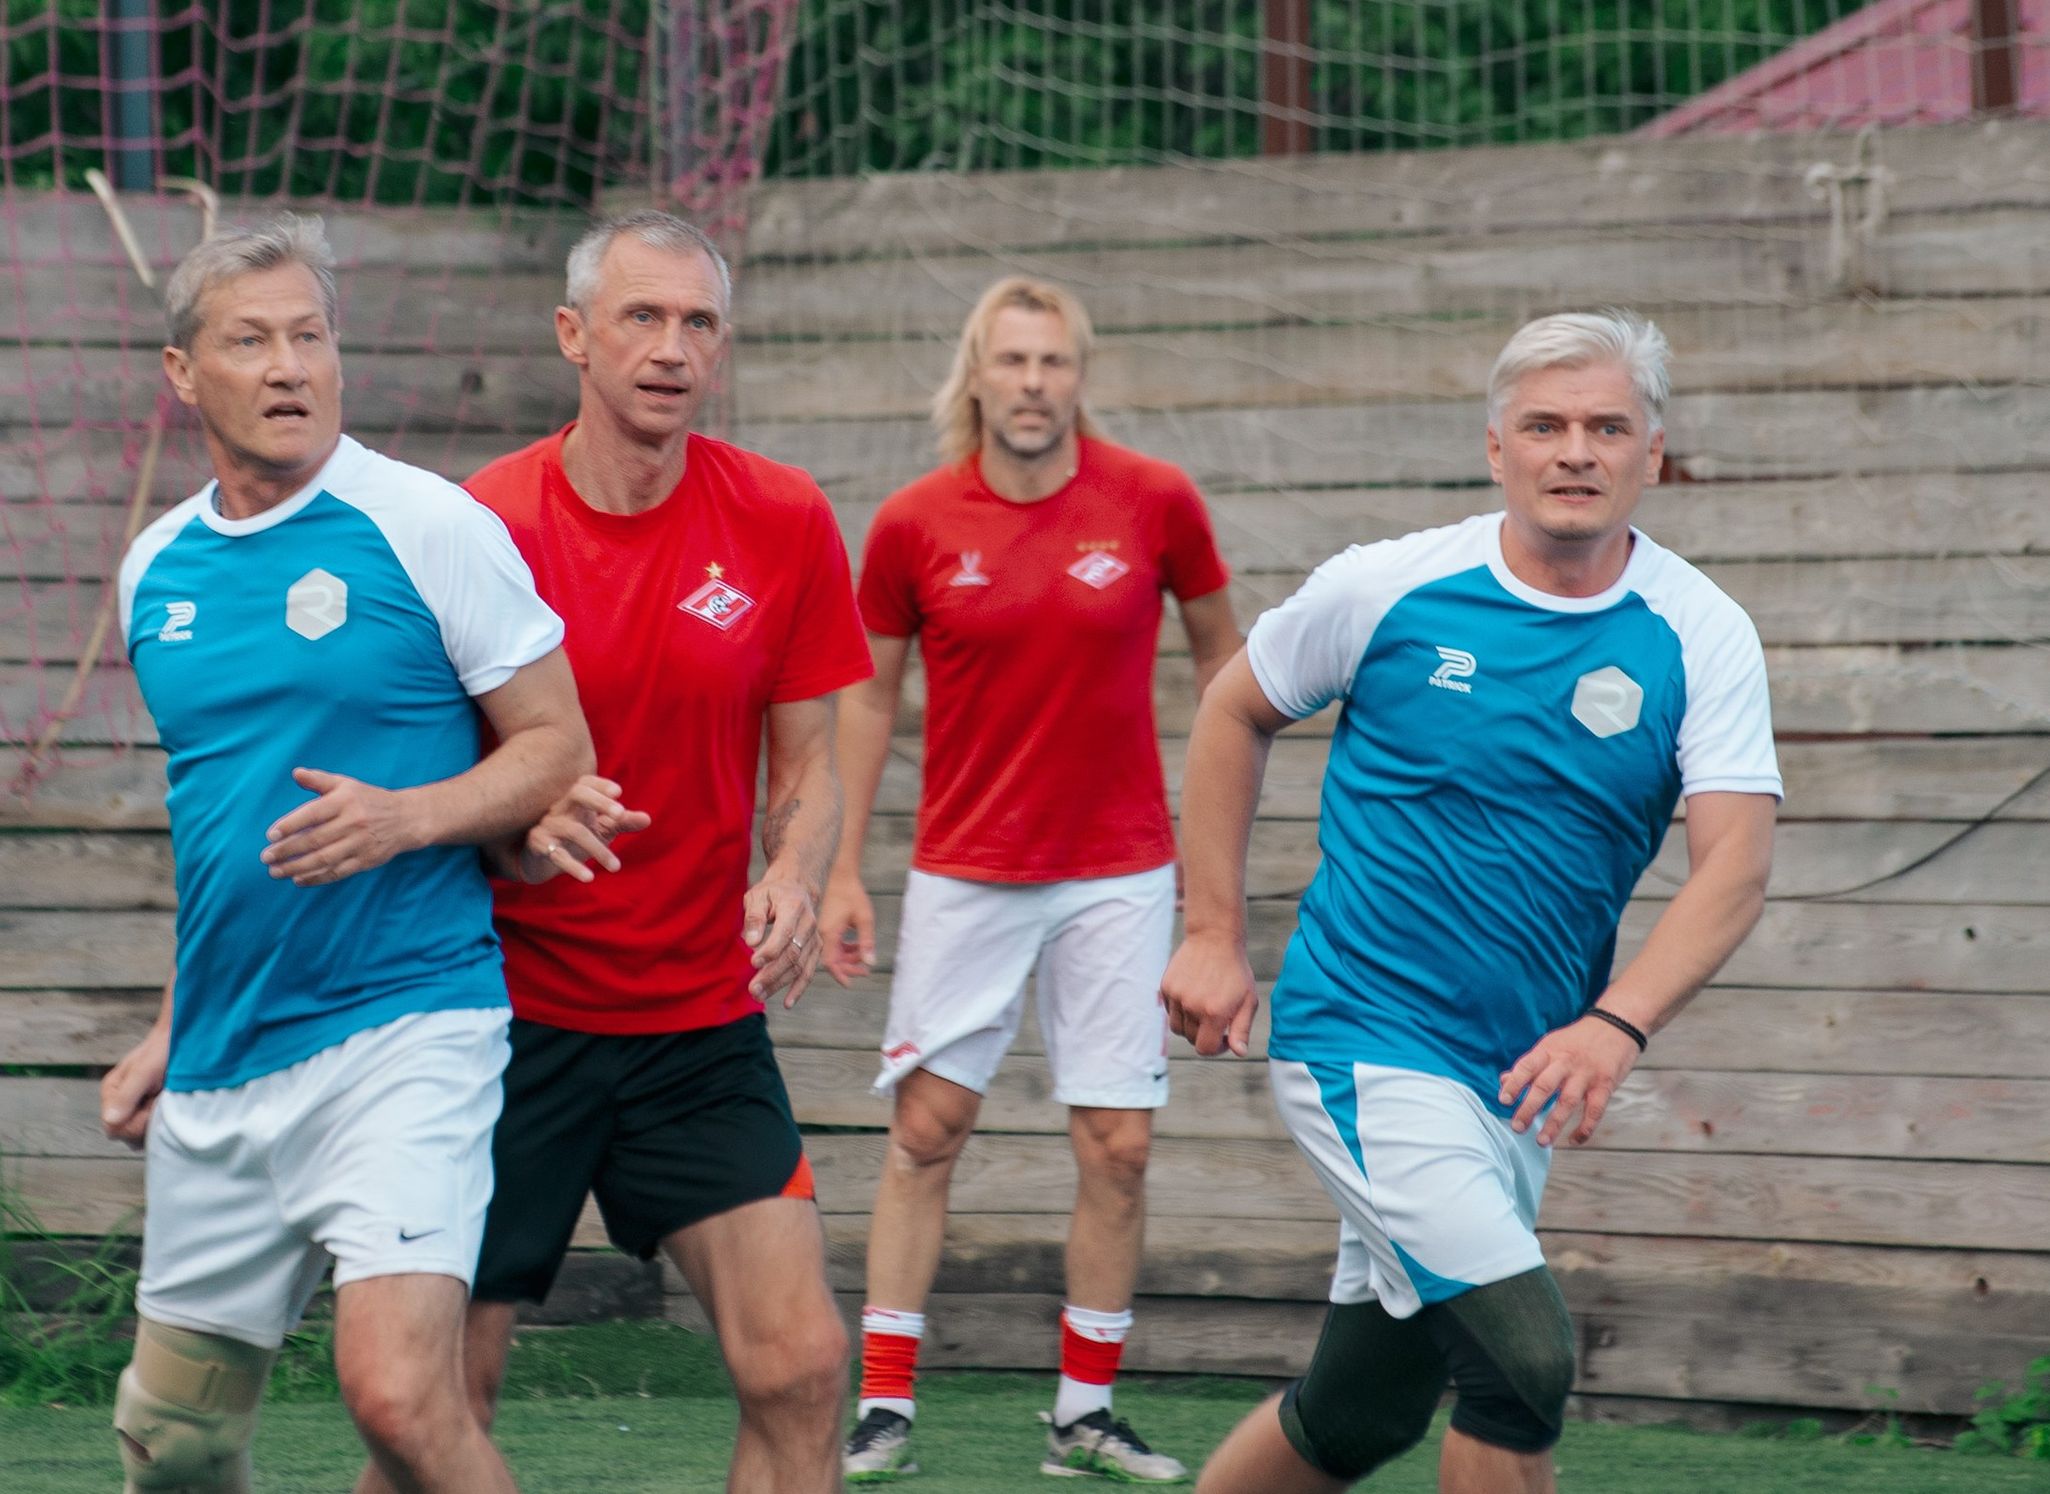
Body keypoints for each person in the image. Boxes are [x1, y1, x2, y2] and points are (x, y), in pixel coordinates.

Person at [1160, 310, 1780, 1494]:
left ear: (1653, 452)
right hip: (1365, 1043)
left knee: (1360, 1407)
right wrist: (1209, 934)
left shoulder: (1700, 632)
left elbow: (1736, 864)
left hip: (1518, 1081)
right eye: (1543, 425)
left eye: (1606, 426)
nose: (1574, 451)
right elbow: (1233, 710)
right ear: (1496, 448)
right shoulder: (1391, 586)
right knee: (1524, 1362)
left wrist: (1614, 1023)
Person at [97, 213, 599, 1494]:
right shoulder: (154, 572)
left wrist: (407, 816)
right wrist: (171, 1024)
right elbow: (214, 829)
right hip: (220, 1061)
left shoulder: (426, 524)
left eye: (309, 337)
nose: (288, 367)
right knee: (175, 1445)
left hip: (405, 1027)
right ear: (181, 373)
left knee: (394, 1394)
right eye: (250, 340)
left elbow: (555, 747)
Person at [460, 208, 872, 1494]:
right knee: (430, 1406)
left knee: (802, 1367)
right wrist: (515, 818)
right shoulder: (476, 525)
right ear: (573, 334)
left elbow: (810, 754)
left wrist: (795, 870)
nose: (671, 347)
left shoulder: (782, 515)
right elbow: (426, 773)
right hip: (498, 1023)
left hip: (695, 1022)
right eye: (642, 315)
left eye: (697, 322)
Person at [821, 276, 1240, 1484]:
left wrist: (1209, 870)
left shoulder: (1156, 503)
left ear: (1079, 374)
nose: (1032, 383)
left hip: (1120, 869)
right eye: (1011, 361)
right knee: (926, 1130)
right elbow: (865, 694)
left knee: (1119, 1146)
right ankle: (886, 1411)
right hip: (966, 869)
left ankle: (1082, 1416)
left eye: (1052, 362)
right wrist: (842, 868)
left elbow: (1229, 665)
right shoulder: (909, 523)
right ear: (976, 373)